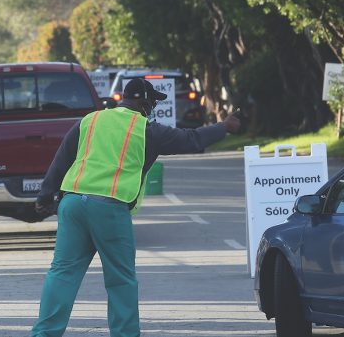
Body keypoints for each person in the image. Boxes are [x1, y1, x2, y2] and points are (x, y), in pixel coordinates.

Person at [31, 78, 240, 336]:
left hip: (72, 203)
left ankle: (44, 333)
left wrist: (44, 196)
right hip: (108, 207)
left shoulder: (91, 120)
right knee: (120, 280)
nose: (152, 108)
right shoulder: (146, 130)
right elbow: (192, 139)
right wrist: (224, 127)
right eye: (152, 102)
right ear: (143, 103)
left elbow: (62, 157)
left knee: (62, 273)